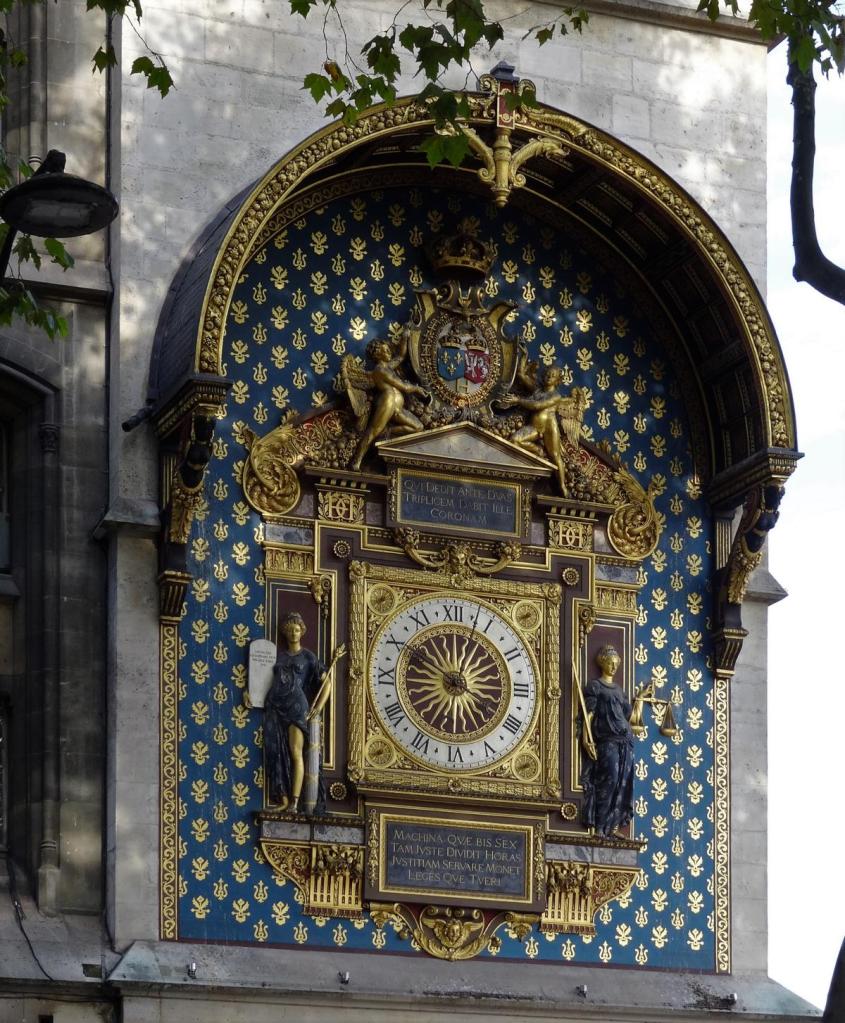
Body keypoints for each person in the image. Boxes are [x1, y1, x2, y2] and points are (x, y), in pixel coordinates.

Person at [263, 611, 328, 815]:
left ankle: (294, 802)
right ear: (285, 631)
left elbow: (327, 682)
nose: (293, 633)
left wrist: (319, 706)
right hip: (276, 705)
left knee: (294, 751)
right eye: (290, 629)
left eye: (297, 629)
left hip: (297, 706)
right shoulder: (280, 657)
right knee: (276, 751)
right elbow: (264, 681)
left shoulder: (308, 656)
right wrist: (251, 694)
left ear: (302, 632)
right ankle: (282, 798)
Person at [579, 644, 636, 838]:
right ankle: (600, 826)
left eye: (616, 664)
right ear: (603, 662)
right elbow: (589, 715)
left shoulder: (619, 691)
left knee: (623, 783)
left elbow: (629, 717)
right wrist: (587, 740)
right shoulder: (595, 686)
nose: (613, 667)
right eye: (610, 663)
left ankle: (613, 827)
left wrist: (642, 700)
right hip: (607, 741)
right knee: (608, 780)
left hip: (625, 741)